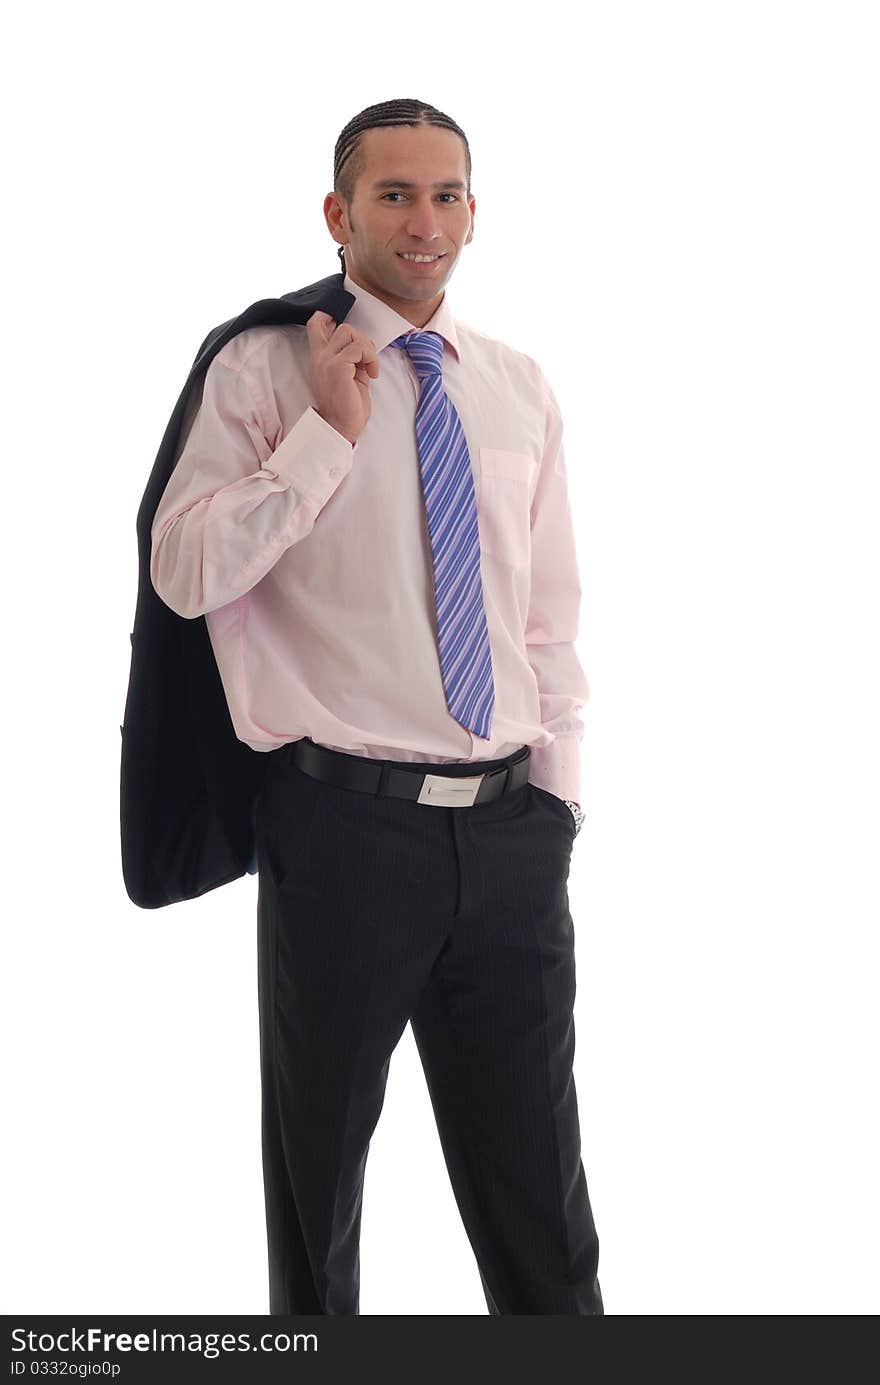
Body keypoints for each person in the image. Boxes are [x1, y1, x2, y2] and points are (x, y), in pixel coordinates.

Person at [149, 97, 603, 1316]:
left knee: (543, 1212)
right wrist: (322, 436)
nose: (423, 220)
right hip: (345, 831)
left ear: (474, 212)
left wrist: (554, 800)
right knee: (319, 1214)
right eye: (393, 194)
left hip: (510, 835)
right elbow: (185, 570)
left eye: (446, 193)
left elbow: (546, 619)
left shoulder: (515, 386)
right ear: (338, 213)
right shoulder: (264, 366)